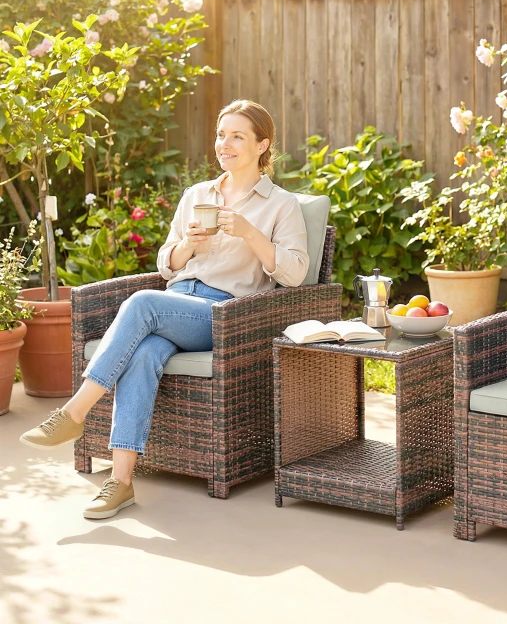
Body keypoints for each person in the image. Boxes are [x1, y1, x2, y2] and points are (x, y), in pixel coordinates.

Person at [20, 100, 309, 519]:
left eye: (237, 136)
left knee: (141, 302)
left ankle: (74, 412)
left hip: (223, 315)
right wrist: (189, 245)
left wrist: (249, 233)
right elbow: (165, 263)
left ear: (263, 144)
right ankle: (120, 483)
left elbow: (297, 273)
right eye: (220, 134)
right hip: (176, 301)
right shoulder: (198, 195)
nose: (224, 144)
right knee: (142, 354)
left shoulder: (280, 204)